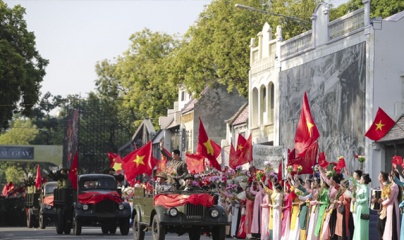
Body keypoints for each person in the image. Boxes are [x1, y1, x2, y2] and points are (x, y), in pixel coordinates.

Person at [345, 168, 371, 240]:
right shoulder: (361, 186)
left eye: (361, 179)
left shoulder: (366, 188)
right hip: (359, 207)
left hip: (364, 208)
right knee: (357, 225)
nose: (360, 180)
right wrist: (349, 175)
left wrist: (357, 200)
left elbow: (366, 199)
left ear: (364, 180)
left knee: (362, 225)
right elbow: (355, 182)